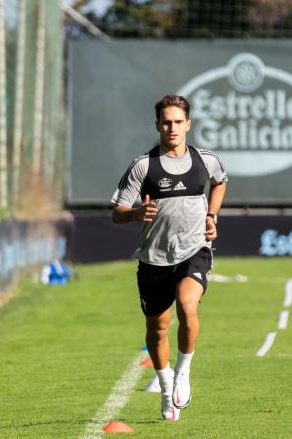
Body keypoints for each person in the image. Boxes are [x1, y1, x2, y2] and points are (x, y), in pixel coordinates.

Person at [110, 95, 227, 421]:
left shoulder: (206, 160)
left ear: (188, 124)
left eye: (178, 121)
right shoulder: (143, 166)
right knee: (157, 330)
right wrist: (135, 214)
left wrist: (212, 216)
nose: (172, 127)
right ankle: (164, 386)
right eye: (166, 122)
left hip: (194, 251)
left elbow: (221, 182)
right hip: (154, 260)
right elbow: (117, 212)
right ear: (157, 124)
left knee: (187, 305)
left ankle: (183, 372)